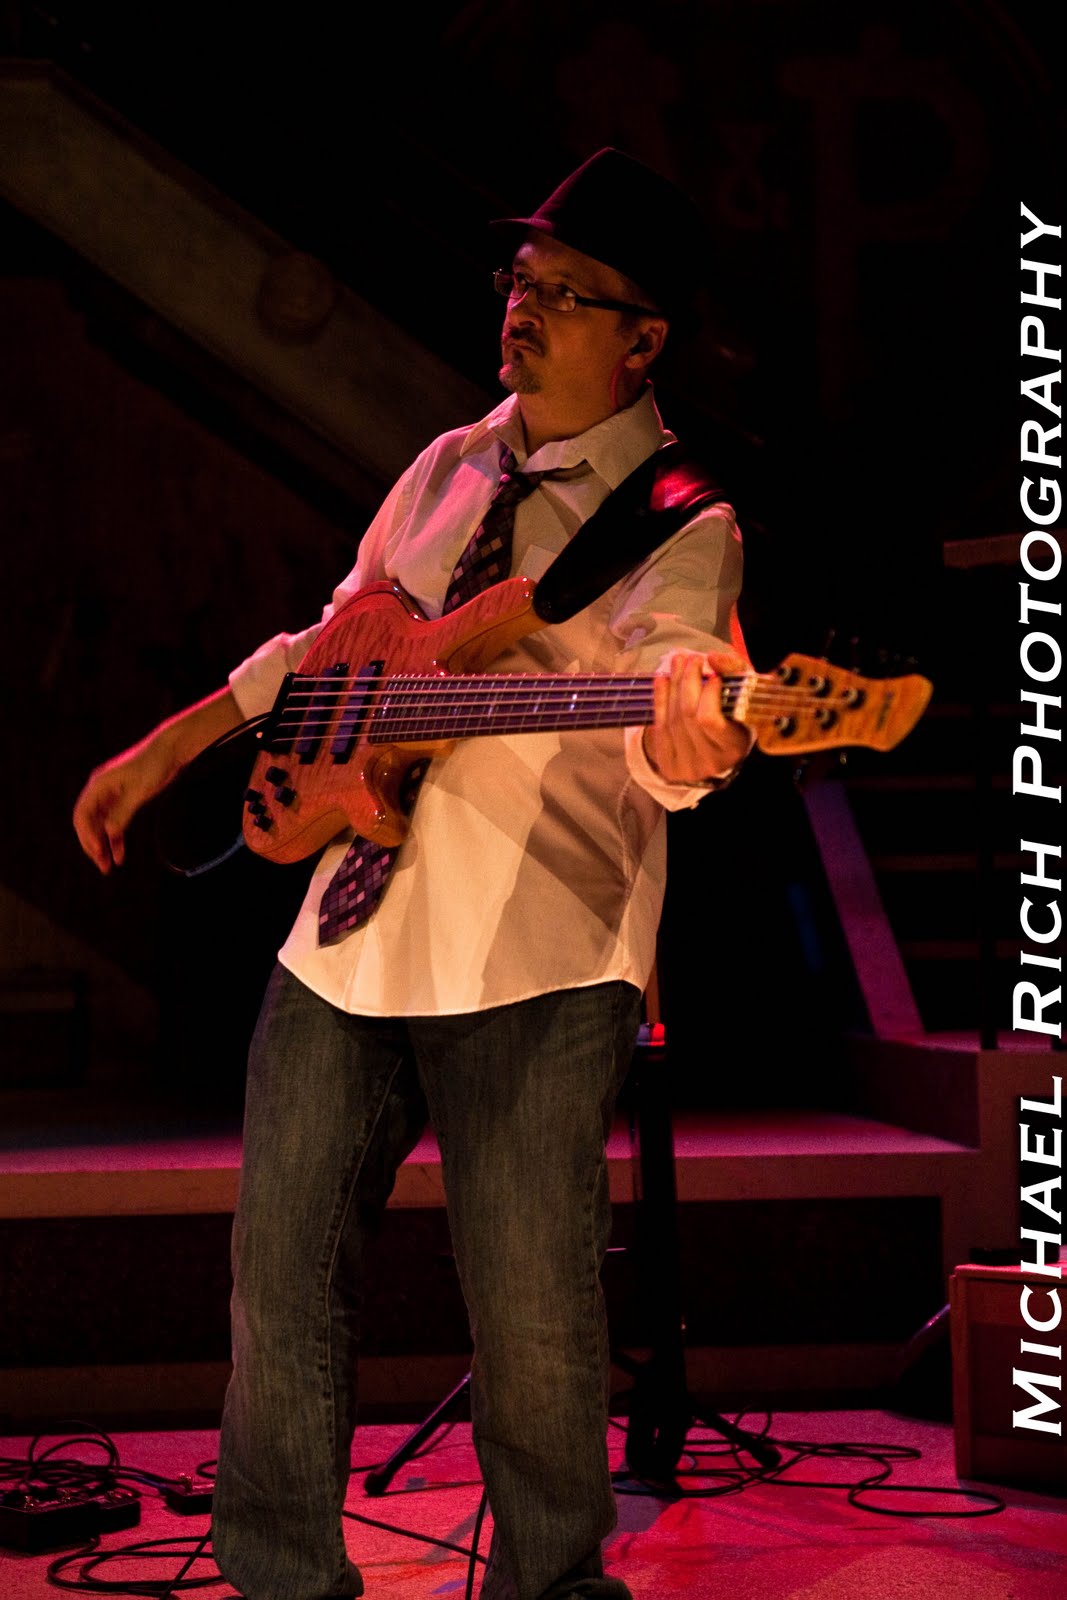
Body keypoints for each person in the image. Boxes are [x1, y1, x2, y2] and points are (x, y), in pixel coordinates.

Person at [73, 149, 753, 1600]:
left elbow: (677, 703)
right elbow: (330, 648)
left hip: (539, 953)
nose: (525, 309)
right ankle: (282, 1580)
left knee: (535, 1321)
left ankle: (552, 1587)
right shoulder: (447, 466)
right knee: (280, 1283)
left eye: (567, 295)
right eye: (522, 281)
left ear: (643, 340)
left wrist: (694, 734)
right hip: (345, 939)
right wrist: (168, 746)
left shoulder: (684, 519)